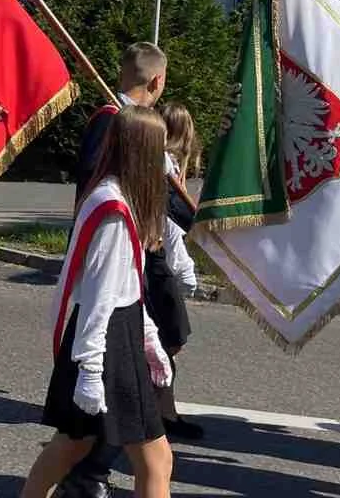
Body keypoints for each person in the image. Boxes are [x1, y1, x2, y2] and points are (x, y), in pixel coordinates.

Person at [21, 105, 175, 498]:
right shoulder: (114, 211)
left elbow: (127, 284)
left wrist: (148, 337)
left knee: (75, 442)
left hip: (116, 333)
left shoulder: (114, 195)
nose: (166, 161)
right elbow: (99, 296)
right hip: (105, 341)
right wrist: (90, 369)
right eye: (160, 149)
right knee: (154, 460)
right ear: (143, 152)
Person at [62, 42, 193, 497]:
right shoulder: (114, 122)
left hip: (135, 265)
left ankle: (95, 466)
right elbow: (110, 194)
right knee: (113, 397)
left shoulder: (133, 122)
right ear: (158, 80)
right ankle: (91, 471)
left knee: (134, 389)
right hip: (125, 265)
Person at [152, 102, 200, 440]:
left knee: (166, 342)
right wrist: (185, 271)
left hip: (163, 264)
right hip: (161, 266)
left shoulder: (167, 165)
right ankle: (160, 412)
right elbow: (171, 226)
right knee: (168, 342)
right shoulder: (163, 167)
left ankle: (164, 411)